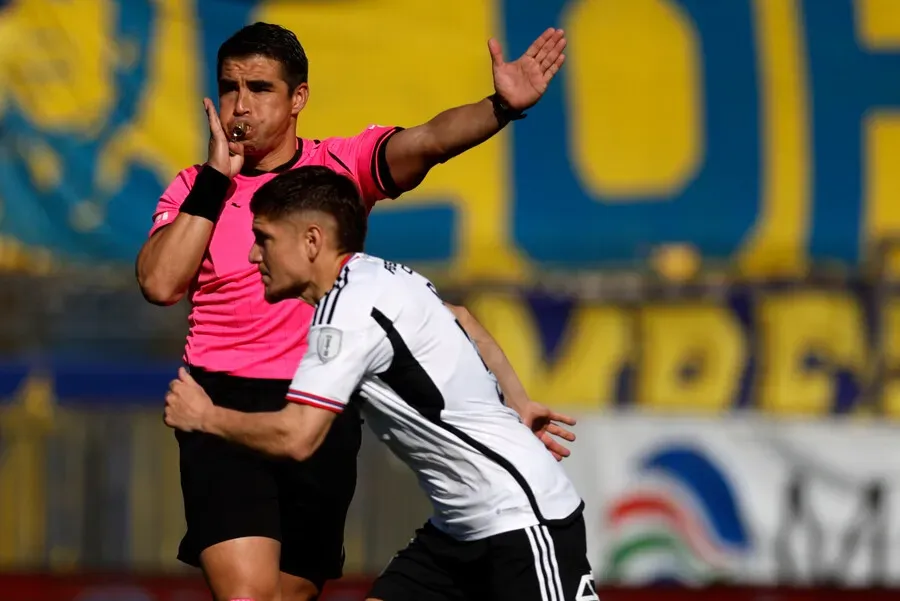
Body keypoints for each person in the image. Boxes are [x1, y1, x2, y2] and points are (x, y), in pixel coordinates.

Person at [136, 20, 571, 601]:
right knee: (247, 596)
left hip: (321, 401)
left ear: (298, 98)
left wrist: (500, 107)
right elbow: (162, 283)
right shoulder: (196, 188)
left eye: (260, 89)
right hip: (223, 401)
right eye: (230, 88)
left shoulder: (335, 172)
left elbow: (428, 141)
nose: (241, 106)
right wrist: (217, 181)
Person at [163, 166, 598, 601]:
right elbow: (463, 318)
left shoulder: (345, 313)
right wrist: (518, 401)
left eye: (265, 239)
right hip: (457, 531)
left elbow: (297, 437)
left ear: (311, 241)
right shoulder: (383, 275)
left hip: (521, 521)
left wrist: (205, 416)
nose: (254, 256)